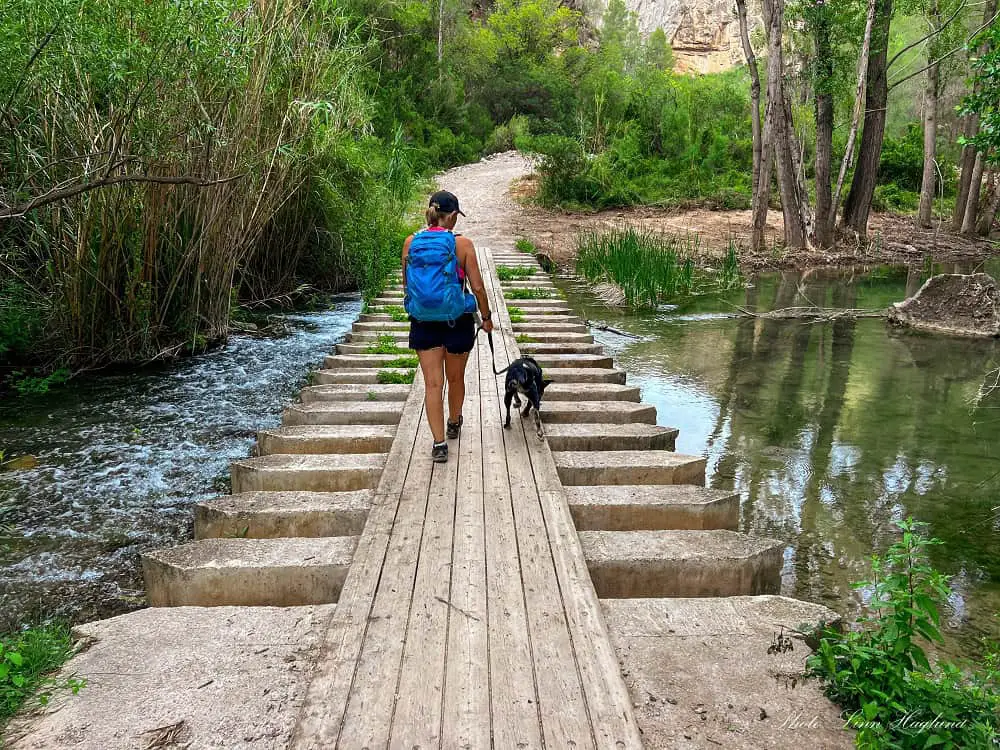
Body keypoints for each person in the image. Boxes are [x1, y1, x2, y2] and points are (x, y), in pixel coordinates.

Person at [403, 190, 493, 463]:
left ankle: (439, 443)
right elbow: (476, 286)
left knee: (432, 384)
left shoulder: (411, 242)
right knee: (455, 379)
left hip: (423, 322)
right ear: (452, 215)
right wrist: (486, 317)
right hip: (457, 321)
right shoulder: (462, 244)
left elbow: (407, 286)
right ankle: (454, 421)